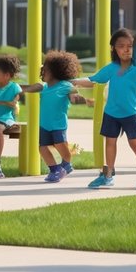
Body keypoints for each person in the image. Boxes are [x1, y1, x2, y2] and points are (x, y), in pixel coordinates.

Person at [74, 28, 136, 190]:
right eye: (121, 46)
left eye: (130, 46)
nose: (126, 49)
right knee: (110, 143)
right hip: (111, 113)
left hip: (131, 113)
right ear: (114, 49)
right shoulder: (111, 68)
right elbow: (93, 79)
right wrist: (73, 81)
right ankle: (107, 176)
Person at [22, 50, 90, 182]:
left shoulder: (65, 85)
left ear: (54, 72)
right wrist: (17, 88)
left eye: (45, 70)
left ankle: (66, 164)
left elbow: (74, 93)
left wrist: (78, 97)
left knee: (60, 145)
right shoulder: (45, 87)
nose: (42, 72)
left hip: (58, 124)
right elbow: (31, 87)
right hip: (44, 124)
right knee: (42, 147)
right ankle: (55, 169)